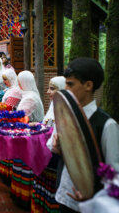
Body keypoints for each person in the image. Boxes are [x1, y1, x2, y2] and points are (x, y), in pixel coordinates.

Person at [47, 57, 119, 213]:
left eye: (70, 84)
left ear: (88, 85)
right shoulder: (65, 114)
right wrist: (56, 147)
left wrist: (94, 195)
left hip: (92, 205)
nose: (65, 88)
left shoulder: (107, 125)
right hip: (64, 194)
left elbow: (115, 175)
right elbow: (51, 145)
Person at [31, 76, 65, 213]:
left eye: (52, 89)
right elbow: (48, 124)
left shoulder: (64, 110)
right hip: (45, 153)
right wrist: (39, 125)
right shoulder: (53, 105)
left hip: (54, 155)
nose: (47, 92)